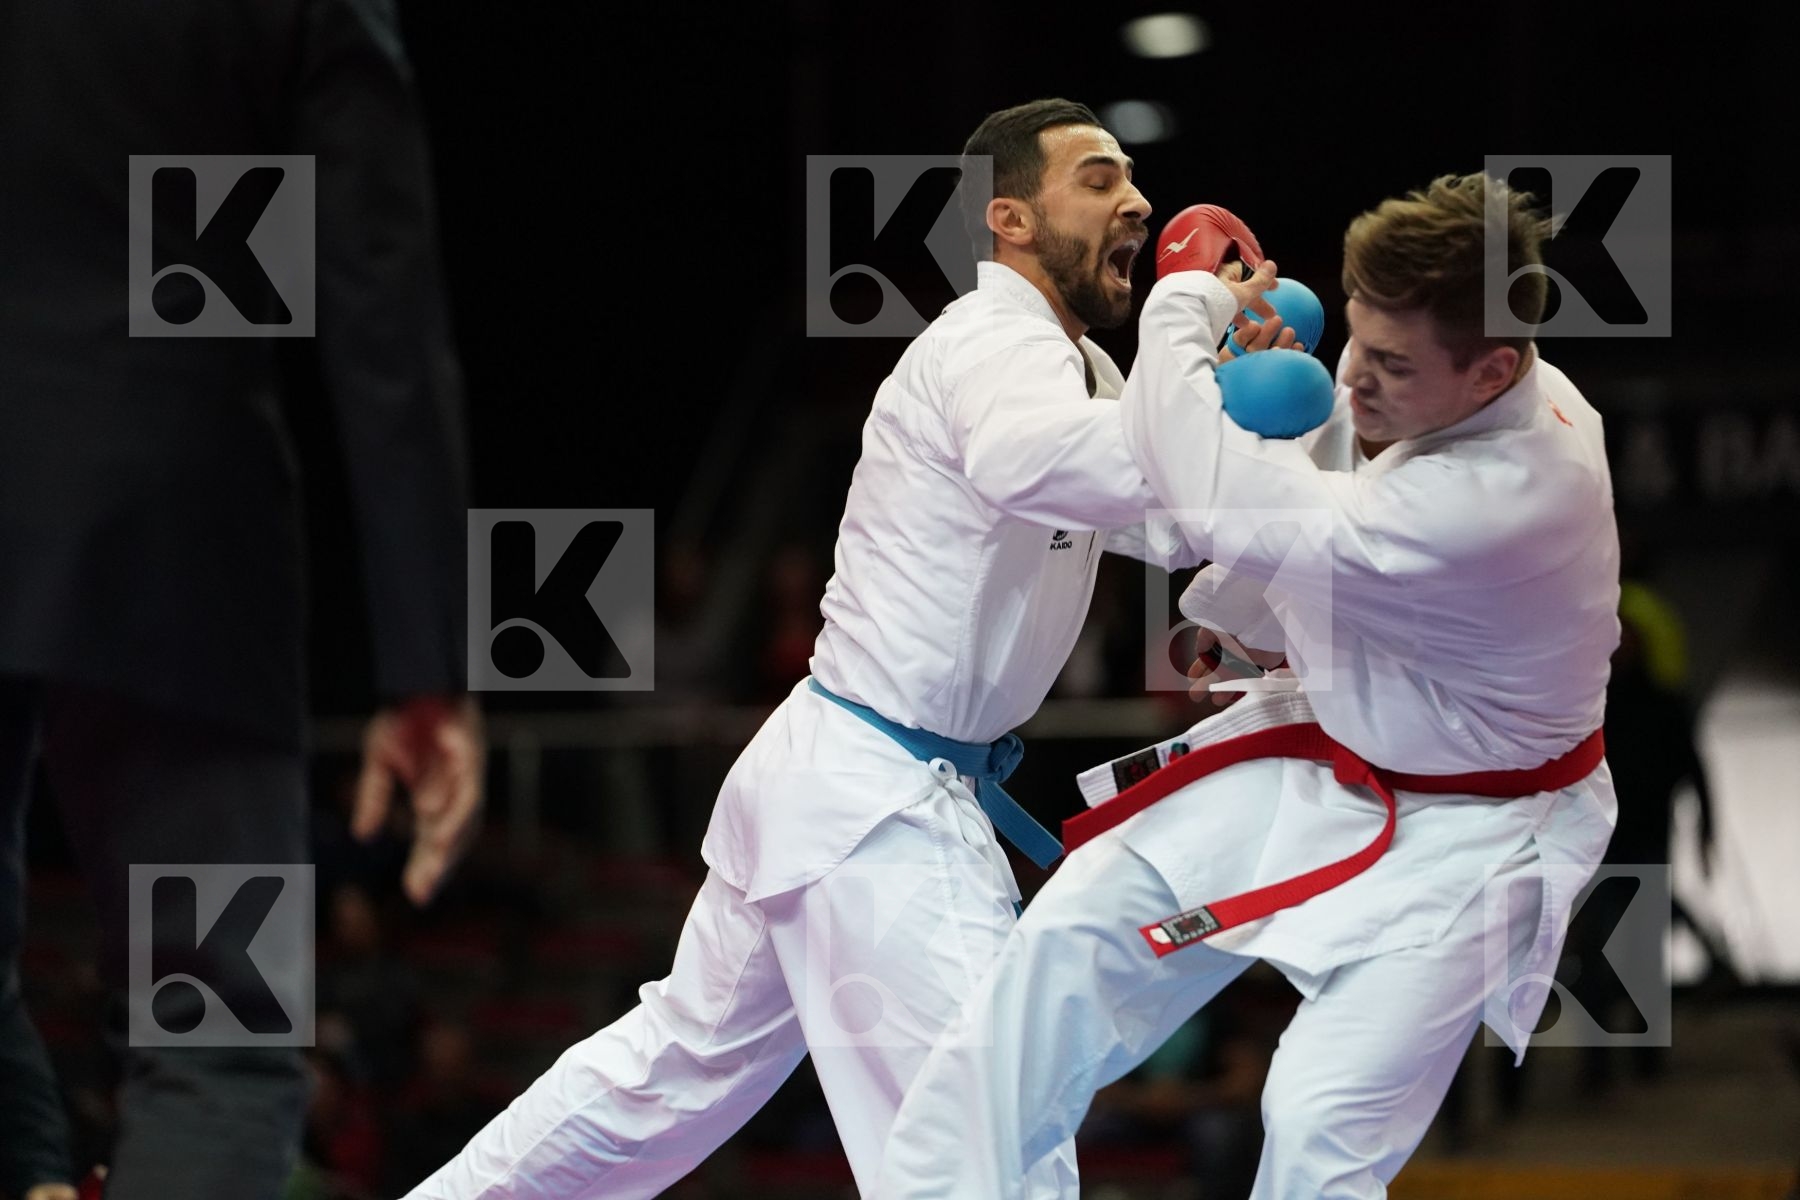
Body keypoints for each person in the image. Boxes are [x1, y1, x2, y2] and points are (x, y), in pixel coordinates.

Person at [405, 98, 1291, 1200]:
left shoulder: (1085, 378)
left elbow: (1181, 518)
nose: (1141, 201)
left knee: (657, 1085)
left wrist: (1255, 419)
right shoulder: (989, 347)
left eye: (1133, 178)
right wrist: (1192, 340)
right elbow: (1044, 463)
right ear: (1010, 219)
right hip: (880, 809)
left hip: (842, 782)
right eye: (1101, 178)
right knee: (987, 1140)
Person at [874, 173, 1622, 1199]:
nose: (1355, 382)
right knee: (1056, 953)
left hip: (1477, 838)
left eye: (1393, 366)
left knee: (1317, 1125)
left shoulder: (1509, 495)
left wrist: (1184, 313)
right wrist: (1249, 600)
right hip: (1336, 748)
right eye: (1356, 343)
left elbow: (1218, 499)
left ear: (1495, 370)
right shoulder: (1465, 388)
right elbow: (1325, 504)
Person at [0, 2, 485, 1197]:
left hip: (158, 524)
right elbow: (380, 303)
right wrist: (425, 664)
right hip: (167, 524)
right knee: (217, 1034)